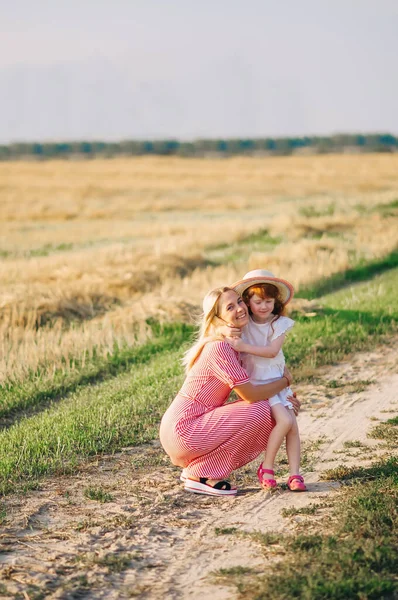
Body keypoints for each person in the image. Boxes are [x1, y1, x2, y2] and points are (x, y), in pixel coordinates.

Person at [159, 286, 300, 497]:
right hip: (184, 430)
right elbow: (251, 395)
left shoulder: (232, 345)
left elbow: (254, 389)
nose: (240, 308)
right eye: (230, 307)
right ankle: (201, 475)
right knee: (263, 410)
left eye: (240, 302)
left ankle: (199, 468)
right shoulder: (220, 348)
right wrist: (285, 381)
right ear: (218, 318)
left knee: (271, 408)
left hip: (186, 428)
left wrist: (286, 401)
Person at [225, 269, 306, 492]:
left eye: (269, 301)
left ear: (275, 302)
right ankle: (267, 467)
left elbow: (272, 352)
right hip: (261, 385)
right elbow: (223, 328)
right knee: (285, 421)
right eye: (258, 301)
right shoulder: (245, 324)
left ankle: (295, 474)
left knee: (293, 428)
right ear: (248, 302)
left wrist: (243, 347)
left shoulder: (279, 324)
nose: (264, 306)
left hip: (277, 379)